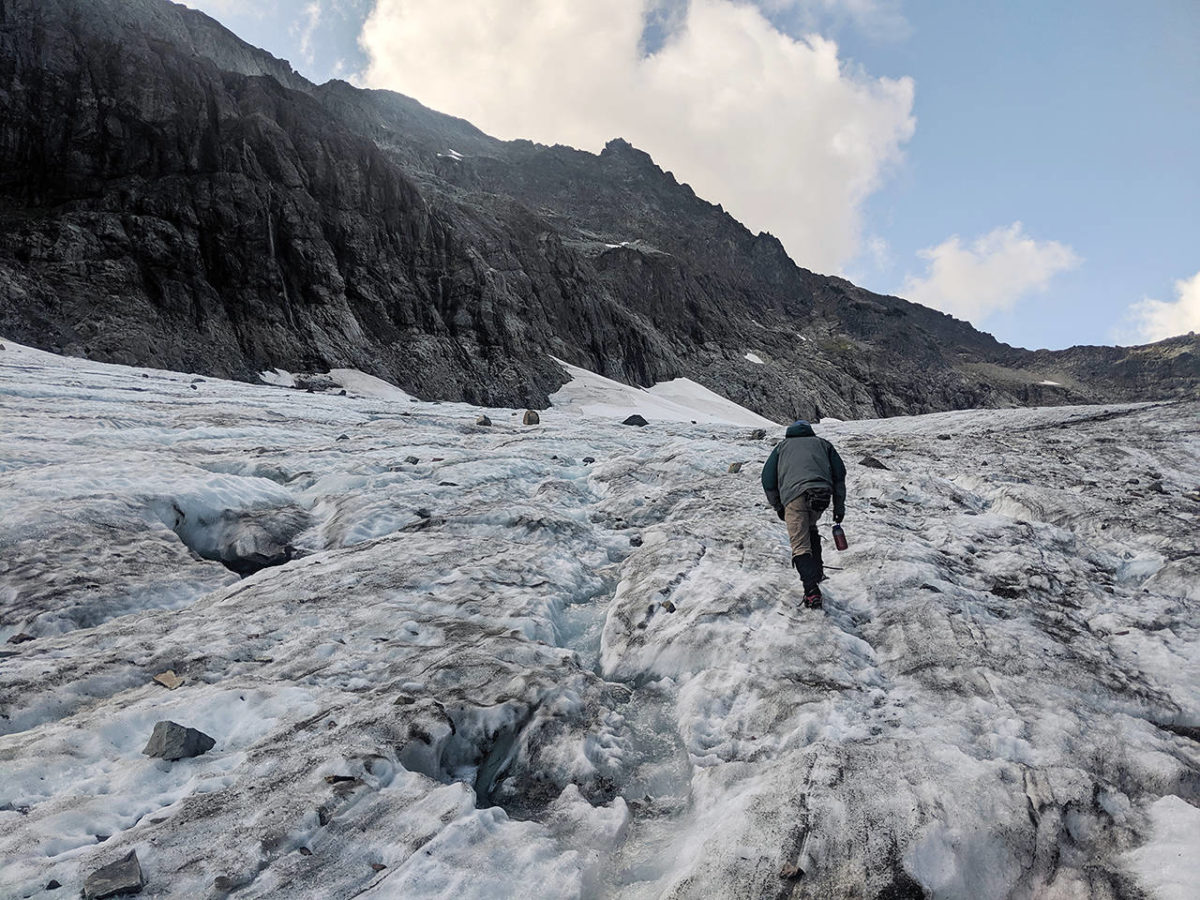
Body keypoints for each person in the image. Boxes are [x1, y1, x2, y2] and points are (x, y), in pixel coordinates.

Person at [760, 420, 846, 608]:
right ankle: (816, 573)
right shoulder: (824, 444)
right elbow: (840, 476)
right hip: (821, 495)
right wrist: (839, 507)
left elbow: (767, 478)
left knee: (799, 543)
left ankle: (811, 590)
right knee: (810, 528)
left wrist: (778, 506)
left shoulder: (781, 448)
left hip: (794, 496)